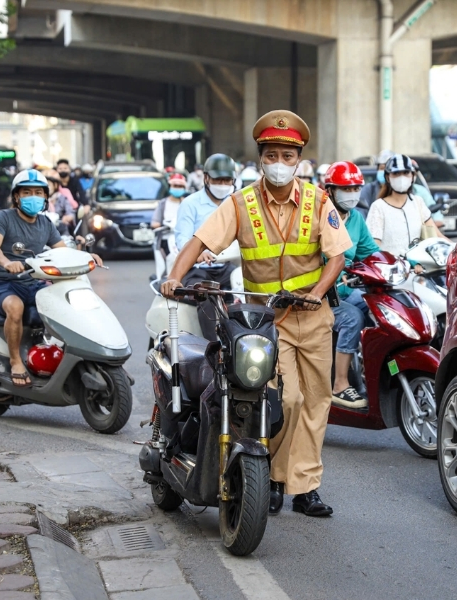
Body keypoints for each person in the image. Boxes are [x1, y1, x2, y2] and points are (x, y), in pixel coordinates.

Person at [162, 110, 353, 517]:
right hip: (266, 322)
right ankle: (275, 478)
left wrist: (317, 293)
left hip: (314, 317)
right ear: (261, 159)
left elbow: (337, 256)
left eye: (287, 156)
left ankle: (305, 488)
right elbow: (199, 241)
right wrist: (174, 276)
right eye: (271, 155)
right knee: (287, 400)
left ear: (298, 160)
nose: (279, 163)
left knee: (317, 401)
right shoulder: (240, 203)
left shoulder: (319, 201)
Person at [0, 169, 103, 387]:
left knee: (65, 303)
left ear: (46, 197)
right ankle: (15, 361)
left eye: (38, 193)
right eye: (27, 192)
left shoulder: (45, 223)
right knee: (15, 307)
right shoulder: (4, 218)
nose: (33, 197)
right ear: (17, 196)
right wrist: (7, 263)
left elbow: (62, 250)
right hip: (5, 284)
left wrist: (86, 256)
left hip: (34, 284)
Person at [324, 161, 379, 409]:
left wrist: (400, 263)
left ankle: (371, 374)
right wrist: (336, 274)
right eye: (346, 189)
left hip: (347, 291)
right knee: (352, 318)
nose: (352, 194)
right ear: (330, 190)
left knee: (379, 310)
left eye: (356, 188)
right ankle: (340, 385)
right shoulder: (321, 217)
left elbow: (371, 253)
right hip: (322, 294)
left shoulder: (356, 217)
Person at [173, 153, 238, 340]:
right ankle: (214, 346)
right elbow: (182, 239)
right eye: (218, 180)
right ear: (206, 178)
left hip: (226, 267)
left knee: (249, 287)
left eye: (227, 180)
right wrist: (197, 254)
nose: (222, 184)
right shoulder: (190, 204)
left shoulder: (234, 203)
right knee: (206, 295)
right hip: (197, 269)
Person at [365, 154, 449, 272]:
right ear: (388, 177)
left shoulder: (418, 202)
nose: (401, 177)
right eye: (396, 173)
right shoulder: (378, 207)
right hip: (391, 274)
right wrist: (401, 262)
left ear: (413, 176)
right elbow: (374, 248)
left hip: (419, 273)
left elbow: (436, 235)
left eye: (406, 173)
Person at [44, 169, 76, 236]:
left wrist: (68, 217)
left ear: (55, 185)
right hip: (44, 232)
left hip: (61, 232)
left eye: (48, 185)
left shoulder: (63, 198)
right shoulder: (40, 200)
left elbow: (70, 212)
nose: (46, 188)